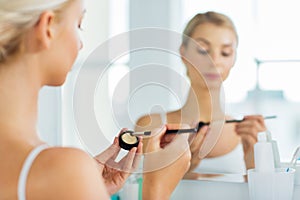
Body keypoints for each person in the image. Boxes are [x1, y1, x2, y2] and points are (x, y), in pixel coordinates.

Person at [0, 0, 191, 199]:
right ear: (47, 28)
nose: (81, 43)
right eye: (78, 24)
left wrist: (91, 189)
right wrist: (156, 189)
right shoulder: (63, 171)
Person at [136, 11, 267, 177]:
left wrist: (255, 168)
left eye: (225, 53)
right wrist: (182, 167)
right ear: (183, 53)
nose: (214, 60)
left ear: (233, 59)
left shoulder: (248, 134)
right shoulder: (152, 126)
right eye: (203, 50)